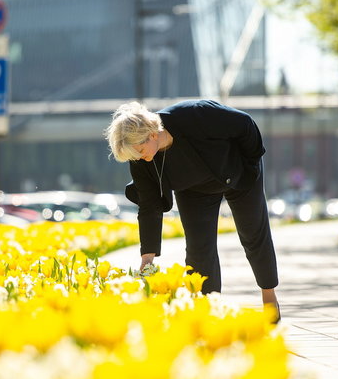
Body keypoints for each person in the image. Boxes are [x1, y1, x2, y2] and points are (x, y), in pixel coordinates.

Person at [104, 99, 280, 322]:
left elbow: (245, 124)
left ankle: (269, 296)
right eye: (134, 155)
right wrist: (147, 258)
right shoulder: (141, 160)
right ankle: (208, 312)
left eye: (139, 150)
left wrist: (251, 165)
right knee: (199, 251)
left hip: (237, 171)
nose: (140, 157)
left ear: (151, 134)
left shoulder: (194, 115)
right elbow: (149, 206)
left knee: (253, 233)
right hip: (194, 191)